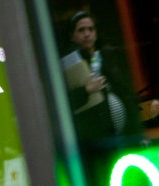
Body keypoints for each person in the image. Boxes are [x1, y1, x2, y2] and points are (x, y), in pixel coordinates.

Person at [62, 11, 144, 145]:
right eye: (81, 30)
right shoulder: (68, 65)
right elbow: (65, 103)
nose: (87, 34)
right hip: (94, 137)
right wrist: (86, 90)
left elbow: (126, 93)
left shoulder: (109, 55)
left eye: (91, 29)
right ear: (72, 36)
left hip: (124, 132)